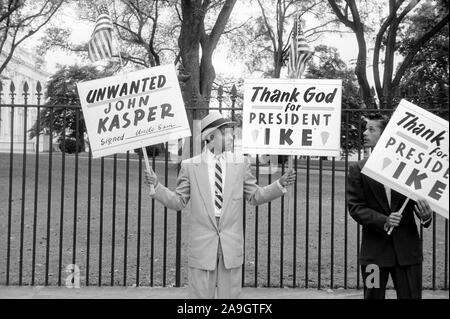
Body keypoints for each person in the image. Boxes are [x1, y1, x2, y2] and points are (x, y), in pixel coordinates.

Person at [143, 111, 296, 299]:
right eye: (227, 132)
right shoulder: (190, 166)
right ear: (211, 136)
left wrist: (279, 184)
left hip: (230, 246)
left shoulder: (241, 163)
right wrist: (157, 186)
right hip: (202, 247)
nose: (232, 136)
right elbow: (178, 201)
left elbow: (255, 196)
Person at [347, 113, 433, 299]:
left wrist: (426, 216)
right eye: (365, 128)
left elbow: (422, 202)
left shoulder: (409, 167)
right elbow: (355, 207)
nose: (364, 133)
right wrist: (384, 220)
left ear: (386, 135)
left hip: (407, 254)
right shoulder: (358, 169)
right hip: (373, 255)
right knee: (372, 297)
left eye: (371, 129)